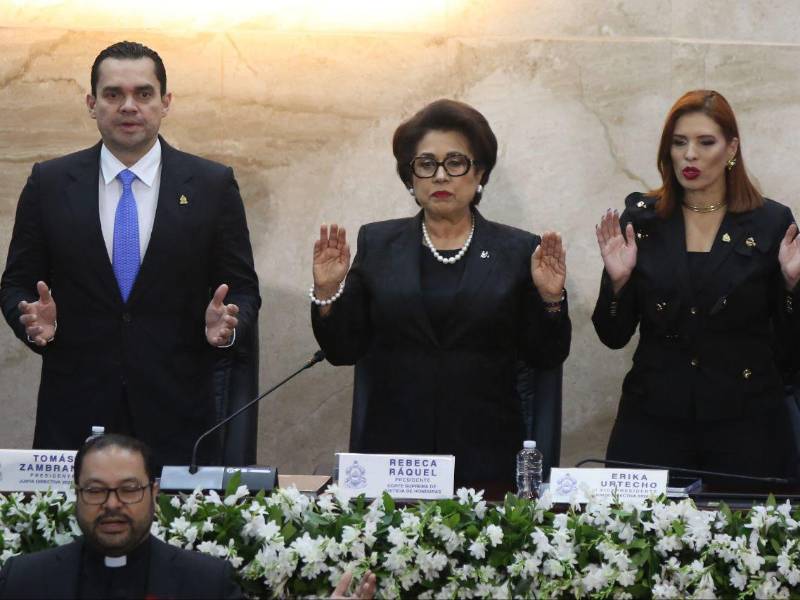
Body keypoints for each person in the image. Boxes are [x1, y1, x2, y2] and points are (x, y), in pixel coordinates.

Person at [0, 41, 261, 469]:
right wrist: (31, 321)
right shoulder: (49, 183)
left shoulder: (211, 185)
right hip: (74, 415)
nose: (128, 106)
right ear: (91, 104)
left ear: (165, 102)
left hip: (178, 418)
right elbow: (16, 284)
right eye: (113, 94)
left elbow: (244, 289)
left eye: (143, 93)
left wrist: (227, 326)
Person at [311, 99, 571, 485]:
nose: (441, 176)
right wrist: (328, 290)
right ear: (410, 177)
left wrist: (550, 298)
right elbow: (342, 350)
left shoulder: (517, 251)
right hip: (393, 457)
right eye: (426, 164)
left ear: (479, 172)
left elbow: (545, 355)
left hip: (486, 455)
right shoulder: (378, 243)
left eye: (455, 162)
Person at [593, 90, 800, 479]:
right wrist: (618, 284)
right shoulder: (643, 221)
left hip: (746, 425)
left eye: (706, 142)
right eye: (679, 142)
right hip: (654, 423)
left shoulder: (771, 223)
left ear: (731, 148)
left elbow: (790, 351)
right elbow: (613, 335)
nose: (690, 155)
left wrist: (792, 287)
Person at [0, 434, 244, 599]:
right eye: (95, 490)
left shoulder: (207, 584)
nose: (112, 504)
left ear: (154, 493)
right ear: (77, 494)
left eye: (129, 489)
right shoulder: (24, 580)